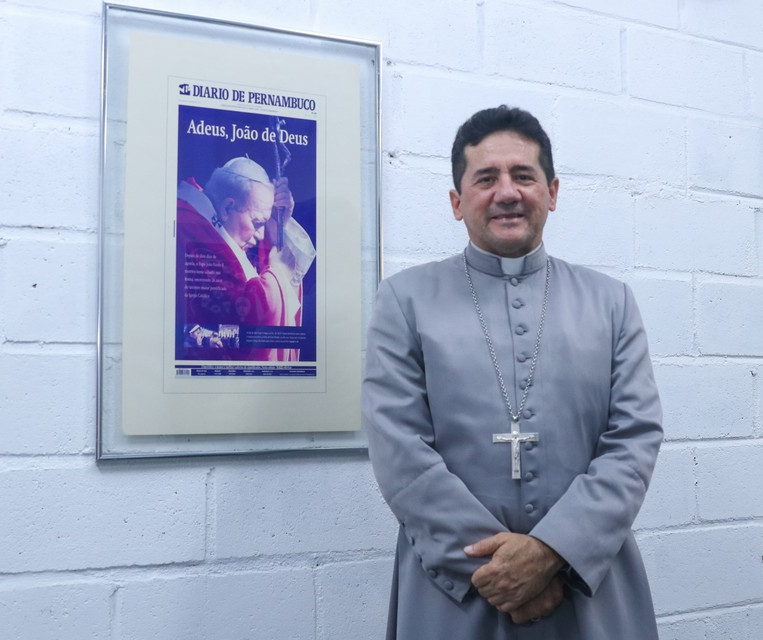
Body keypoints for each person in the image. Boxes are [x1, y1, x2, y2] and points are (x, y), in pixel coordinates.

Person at [363, 106, 663, 638]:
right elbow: (399, 451)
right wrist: (501, 571)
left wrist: (552, 553)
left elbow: (634, 441)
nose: (507, 192)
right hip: (454, 592)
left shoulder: (611, 302)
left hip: (586, 586)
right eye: (486, 178)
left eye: (524, 176)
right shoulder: (405, 301)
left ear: (552, 192)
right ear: (457, 203)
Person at [175, 157, 309, 361]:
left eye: (265, 223)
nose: (262, 235)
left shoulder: (224, 228)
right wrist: (281, 268)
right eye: (257, 223)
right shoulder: (192, 228)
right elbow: (244, 323)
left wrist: (278, 224)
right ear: (227, 208)